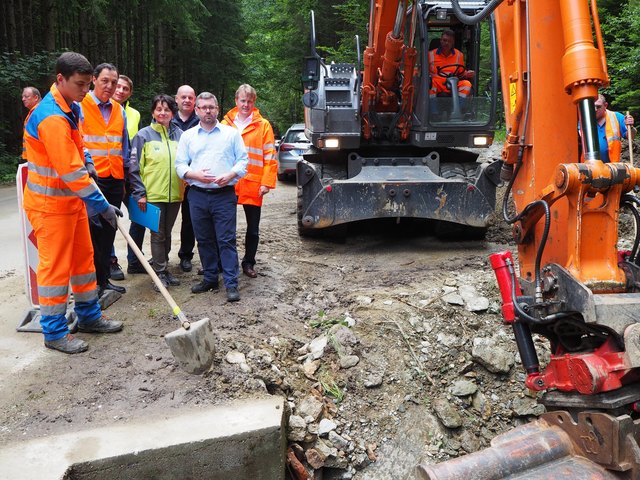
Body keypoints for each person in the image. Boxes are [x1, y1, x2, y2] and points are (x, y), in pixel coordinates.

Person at [23, 52, 123, 354]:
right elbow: (70, 171)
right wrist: (101, 204)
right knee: (55, 271)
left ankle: (89, 316)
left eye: (86, 84)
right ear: (60, 80)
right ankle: (53, 332)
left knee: (83, 263)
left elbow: (80, 149)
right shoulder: (51, 117)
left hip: (72, 205)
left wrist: (90, 162)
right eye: (80, 84)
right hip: (49, 206)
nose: (84, 90)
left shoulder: (71, 108)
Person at [175, 92, 248, 302]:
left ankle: (231, 283)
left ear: (217, 109)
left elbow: (243, 161)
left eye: (211, 107)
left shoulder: (230, 134)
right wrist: (194, 174)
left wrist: (231, 174)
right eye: (203, 107)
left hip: (223, 195)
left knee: (226, 240)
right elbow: (180, 164)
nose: (207, 111)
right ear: (196, 110)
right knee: (204, 239)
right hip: (197, 195)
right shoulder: (188, 136)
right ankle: (209, 278)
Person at [80, 63, 129, 298]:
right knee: (91, 233)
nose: (110, 86)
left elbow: (125, 147)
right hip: (91, 180)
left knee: (109, 231)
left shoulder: (119, 110)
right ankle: (91, 285)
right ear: (93, 80)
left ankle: (104, 280)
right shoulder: (80, 106)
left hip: (114, 179)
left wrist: (126, 182)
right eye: (105, 81)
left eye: (114, 82)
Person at [221, 84, 277, 278]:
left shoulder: (263, 125)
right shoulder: (225, 123)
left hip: (253, 184)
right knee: (226, 227)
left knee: (253, 229)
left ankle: (249, 263)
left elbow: (270, 155)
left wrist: (266, 183)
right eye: (243, 101)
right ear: (236, 101)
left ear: (254, 102)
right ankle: (225, 262)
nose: (246, 104)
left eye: (250, 101)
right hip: (229, 183)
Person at [129, 94, 184, 290]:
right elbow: (134, 168)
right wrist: (139, 193)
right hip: (153, 195)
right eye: (159, 109)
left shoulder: (180, 135)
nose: (162, 113)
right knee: (157, 234)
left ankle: (164, 268)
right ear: (153, 112)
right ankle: (159, 273)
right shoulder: (142, 135)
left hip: (175, 194)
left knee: (167, 234)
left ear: (172, 112)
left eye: (167, 109)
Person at [111, 74, 145, 279]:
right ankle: (111, 261)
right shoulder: (94, 110)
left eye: (125, 88)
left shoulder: (134, 114)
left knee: (141, 215)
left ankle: (135, 259)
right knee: (108, 219)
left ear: (130, 93)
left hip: (129, 174)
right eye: (119, 86)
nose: (121, 91)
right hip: (109, 175)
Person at [171, 85, 199, 273]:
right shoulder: (166, 118)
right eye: (184, 97)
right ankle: (159, 255)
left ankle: (186, 255)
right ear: (177, 99)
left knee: (190, 220)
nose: (187, 100)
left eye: (190, 97)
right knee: (164, 220)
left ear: (195, 100)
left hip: (192, 180)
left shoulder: (200, 121)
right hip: (169, 179)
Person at [429, 29, 474, 100]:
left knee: (467, 84)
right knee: (429, 84)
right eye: (444, 40)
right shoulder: (430, 54)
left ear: (453, 43)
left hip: (453, 83)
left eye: (449, 41)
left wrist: (467, 74)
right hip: (437, 83)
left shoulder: (459, 55)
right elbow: (422, 70)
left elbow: (462, 73)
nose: (446, 43)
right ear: (440, 40)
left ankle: (458, 108)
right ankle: (433, 109)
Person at [592, 94, 636, 163]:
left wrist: (631, 127)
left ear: (605, 105)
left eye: (598, 107)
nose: (595, 109)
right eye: (592, 106)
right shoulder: (584, 120)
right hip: (589, 167)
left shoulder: (616, 117)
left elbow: (631, 136)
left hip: (612, 166)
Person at [21, 87, 42, 162]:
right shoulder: (33, 113)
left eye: (26, 96)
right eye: (22, 97)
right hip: (33, 156)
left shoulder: (39, 112)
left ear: (36, 97)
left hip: (38, 157)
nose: (23, 99)